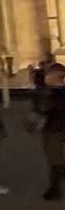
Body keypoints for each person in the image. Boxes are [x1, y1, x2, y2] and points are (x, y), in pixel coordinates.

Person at [36, 63, 65, 201]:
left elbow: (44, 108)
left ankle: (55, 190)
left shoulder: (55, 93)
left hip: (55, 129)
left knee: (55, 160)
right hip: (53, 128)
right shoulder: (52, 91)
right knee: (55, 159)